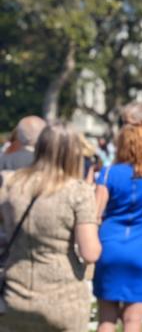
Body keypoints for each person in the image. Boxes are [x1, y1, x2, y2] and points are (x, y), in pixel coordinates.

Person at [0, 122, 102, 331]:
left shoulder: (11, 184)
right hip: (63, 296)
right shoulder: (78, 191)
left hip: (16, 293)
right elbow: (90, 252)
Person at [93, 125, 142, 332]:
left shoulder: (109, 173)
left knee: (106, 320)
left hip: (110, 245)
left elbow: (95, 214)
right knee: (134, 321)